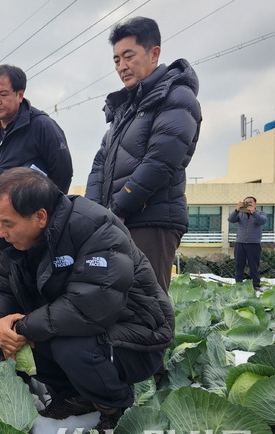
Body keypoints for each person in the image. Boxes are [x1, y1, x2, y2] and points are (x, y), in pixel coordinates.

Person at [0, 168, 174, 434]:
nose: (0, 232)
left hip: (136, 337)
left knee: (68, 344)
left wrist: (23, 326)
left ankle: (115, 406)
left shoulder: (96, 228)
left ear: (40, 216)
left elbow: (93, 306)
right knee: (9, 335)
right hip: (81, 330)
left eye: (7, 223)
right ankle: (73, 397)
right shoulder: (15, 243)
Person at [85, 17, 202, 293]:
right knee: (117, 304)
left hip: (151, 220)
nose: (121, 67)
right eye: (116, 61)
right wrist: (95, 213)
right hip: (118, 219)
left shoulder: (177, 98)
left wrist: (118, 209)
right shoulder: (126, 107)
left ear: (154, 53)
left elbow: (160, 162)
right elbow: (101, 161)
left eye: (128, 56)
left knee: (148, 305)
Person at [0, 64, 73, 203]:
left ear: (20, 95)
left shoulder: (43, 126)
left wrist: (48, 210)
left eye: (3, 95)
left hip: (31, 216)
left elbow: (63, 174)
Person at [228, 196, 267, 290]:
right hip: (240, 243)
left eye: (250, 202)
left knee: (254, 265)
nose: (248, 204)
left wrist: (253, 212)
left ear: (255, 204)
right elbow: (231, 219)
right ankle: (238, 285)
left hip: (254, 244)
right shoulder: (240, 214)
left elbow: (262, 221)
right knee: (239, 265)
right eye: (246, 202)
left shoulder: (261, 213)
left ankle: (255, 285)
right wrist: (237, 210)